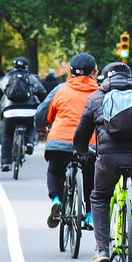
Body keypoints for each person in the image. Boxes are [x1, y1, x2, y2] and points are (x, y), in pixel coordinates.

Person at [73, 62, 132, 262]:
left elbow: (81, 134)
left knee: (100, 197)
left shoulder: (96, 97)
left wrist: (81, 153)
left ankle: (102, 250)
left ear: (105, 78)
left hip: (109, 157)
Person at [35, 53, 99, 230]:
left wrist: (41, 128)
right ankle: (90, 216)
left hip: (59, 142)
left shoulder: (60, 89)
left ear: (70, 72)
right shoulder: (99, 92)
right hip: (89, 144)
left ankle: (56, 199)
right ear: (95, 71)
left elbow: (41, 115)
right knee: (91, 177)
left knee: (55, 172)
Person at [0, 57, 47, 171]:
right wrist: (42, 106)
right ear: (27, 66)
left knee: (7, 135)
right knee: (32, 126)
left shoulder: (7, 77)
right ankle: (30, 142)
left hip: (10, 111)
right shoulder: (31, 78)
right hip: (29, 110)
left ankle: (6, 163)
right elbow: (42, 93)